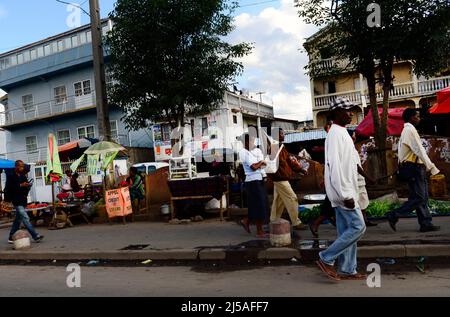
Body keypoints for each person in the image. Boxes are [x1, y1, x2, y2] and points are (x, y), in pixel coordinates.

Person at [316, 97, 366, 281]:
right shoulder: (335, 134)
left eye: (351, 110)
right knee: (359, 227)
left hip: (346, 191)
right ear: (336, 113)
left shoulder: (343, 132)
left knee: (348, 232)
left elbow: (351, 161)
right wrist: (345, 194)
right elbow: (334, 167)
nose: (351, 113)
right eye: (347, 110)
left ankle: (348, 269)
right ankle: (326, 257)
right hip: (343, 193)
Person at [386, 108, 441, 232]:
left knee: (423, 197)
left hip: (414, 167)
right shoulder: (410, 130)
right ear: (411, 118)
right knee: (420, 197)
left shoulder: (407, 130)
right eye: (417, 116)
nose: (419, 118)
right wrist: (431, 167)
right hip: (414, 168)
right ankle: (394, 214)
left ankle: (425, 223)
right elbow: (419, 150)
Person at [269, 128, 305, 230]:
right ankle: (296, 222)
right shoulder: (274, 148)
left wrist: (300, 169)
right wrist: (300, 169)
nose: (283, 135)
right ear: (276, 135)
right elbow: (276, 164)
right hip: (280, 178)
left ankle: (273, 219)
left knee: (278, 200)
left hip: (280, 178)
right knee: (292, 198)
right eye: (281, 133)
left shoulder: (281, 147)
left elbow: (288, 161)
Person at [239, 131, 270, 238]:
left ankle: (247, 221)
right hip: (252, 181)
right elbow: (254, 167)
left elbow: (260, 165)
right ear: (246, 142)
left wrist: (261, 164)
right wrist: (261, 162)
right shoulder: (244, 152)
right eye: (252, 141)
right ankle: (259, 231)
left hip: (258, 179)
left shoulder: (252, 151)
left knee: (260, 205)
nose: (253, 143)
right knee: (258, 206)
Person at [5, 160, 44, 243]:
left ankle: (11, 237)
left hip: (23, 200)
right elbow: (9, 189)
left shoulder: (22, 175)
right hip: (16, 200)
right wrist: (20, 185)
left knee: (18, 220)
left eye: (23, 166)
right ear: (16, 167)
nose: (22, 168)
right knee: (26, 218)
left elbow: (25, 187)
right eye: (21, 166)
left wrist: (28, 185)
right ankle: (35, 236)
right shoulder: (10, 175)